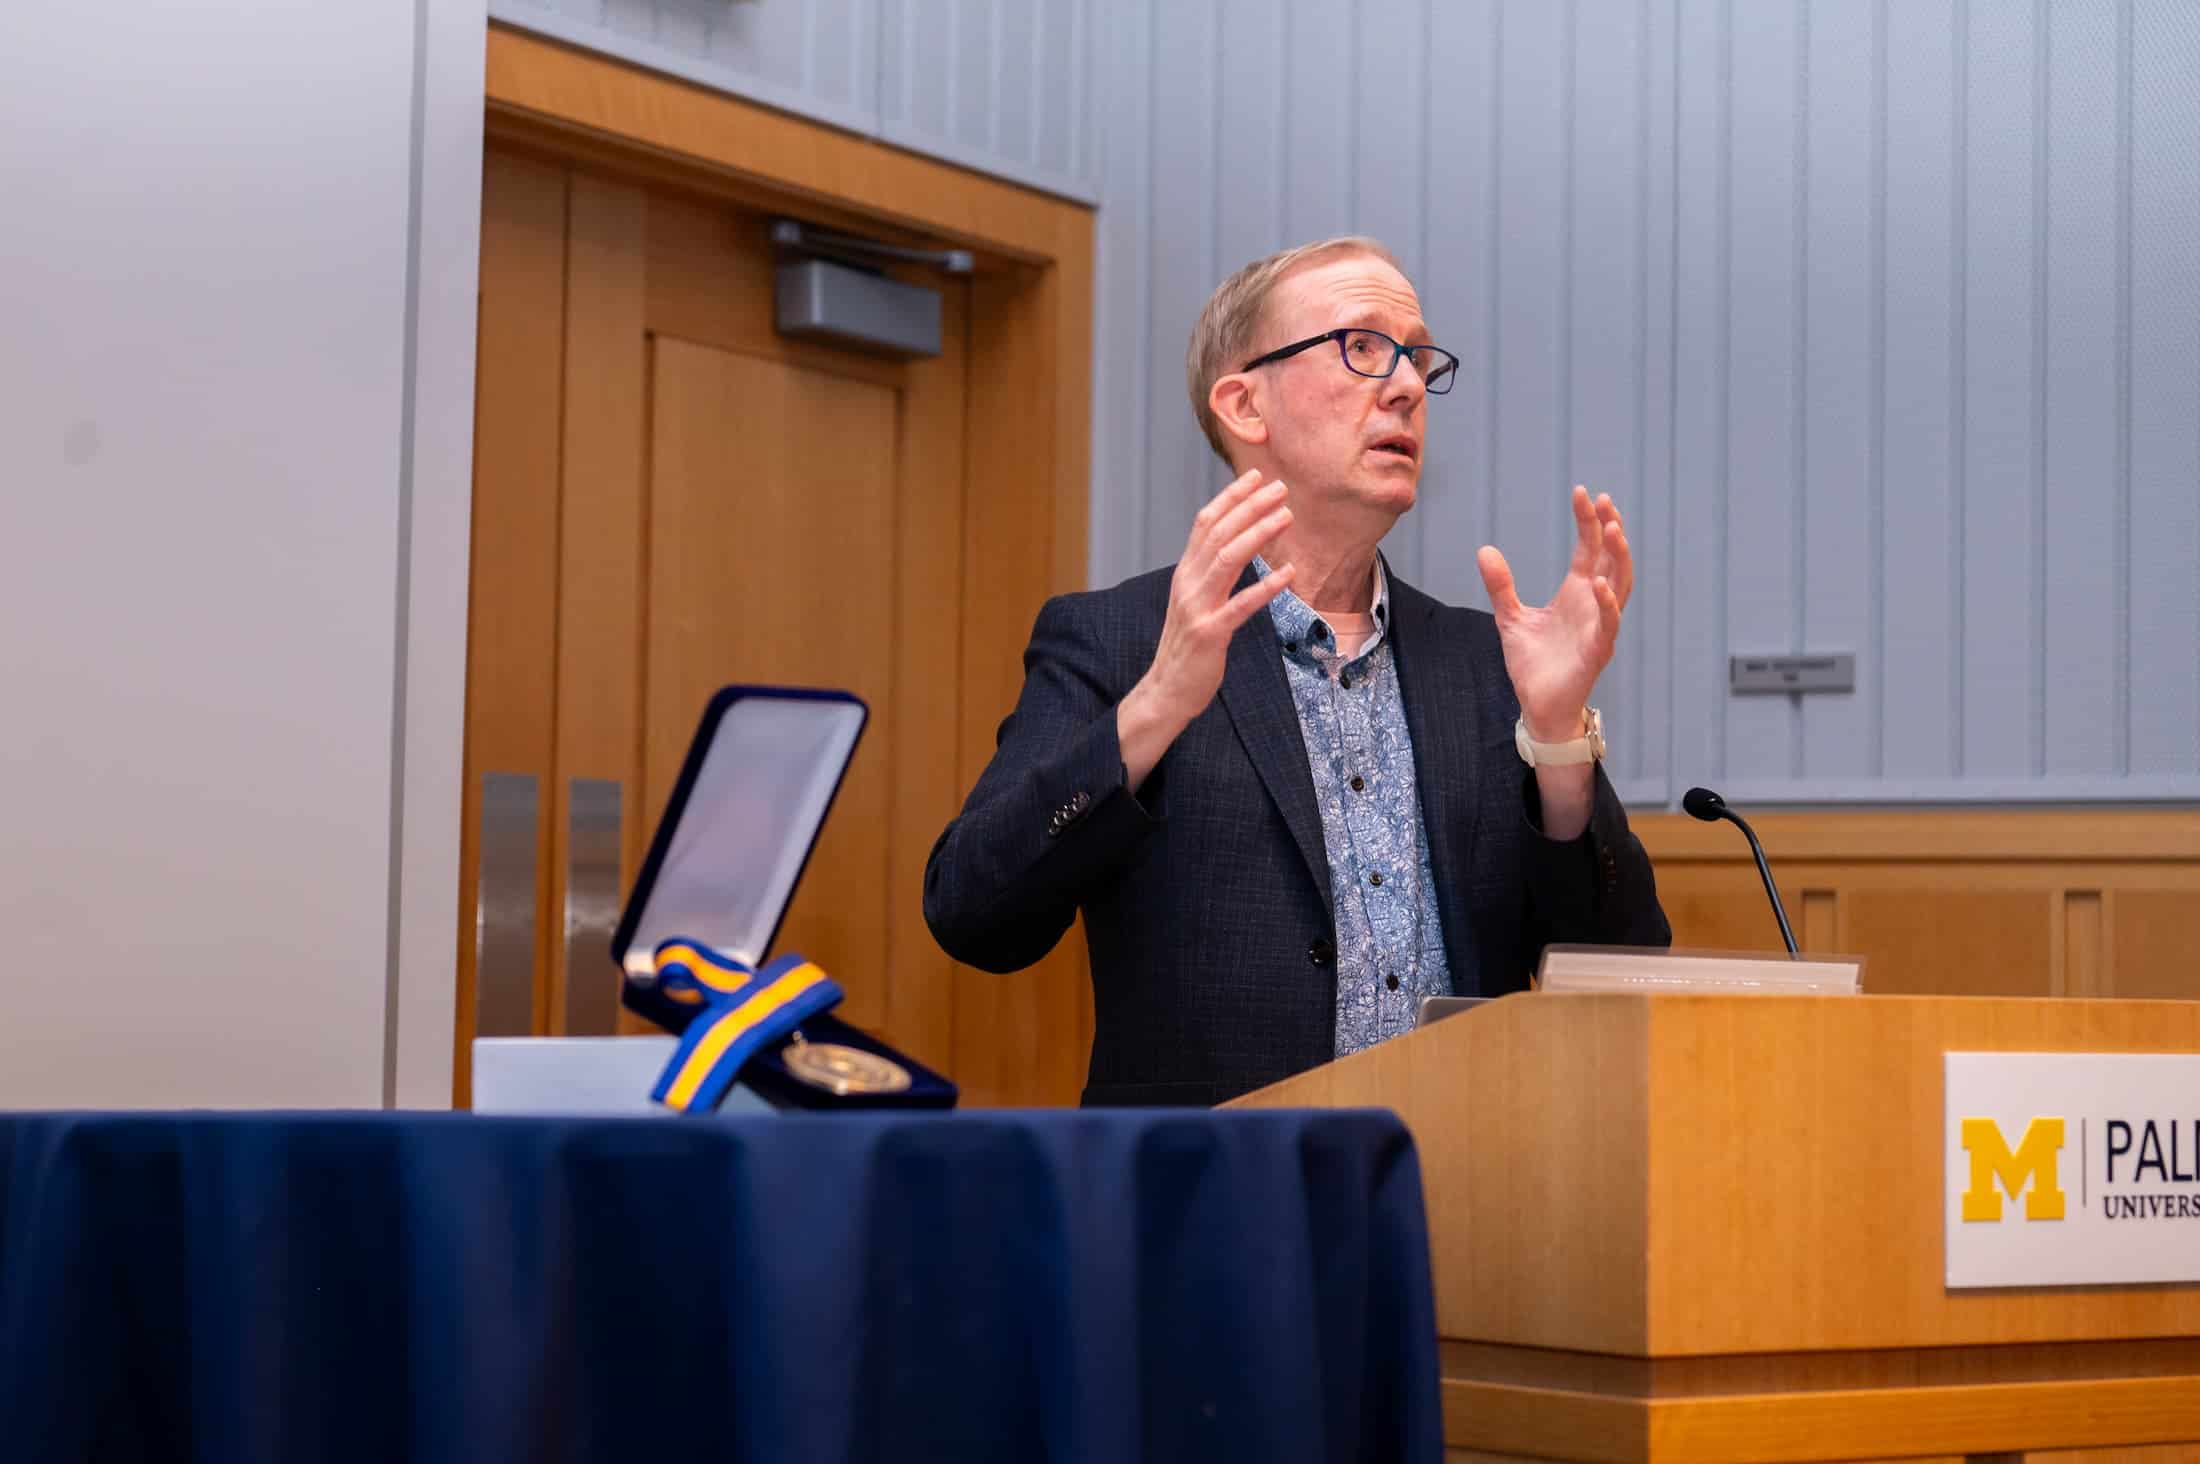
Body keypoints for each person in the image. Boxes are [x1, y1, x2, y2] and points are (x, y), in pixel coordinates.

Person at [924, 236, 1670, 1107]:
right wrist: (1159, 704)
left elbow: (1622, 963)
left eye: (1418, 358)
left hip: (1465, 1196)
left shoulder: (1482, 660)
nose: (1405, 386)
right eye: (1362, 348)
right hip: (1221, 1201)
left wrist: (1556, 741)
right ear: (1245, 404)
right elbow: (974, 913)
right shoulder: (1118, 641)